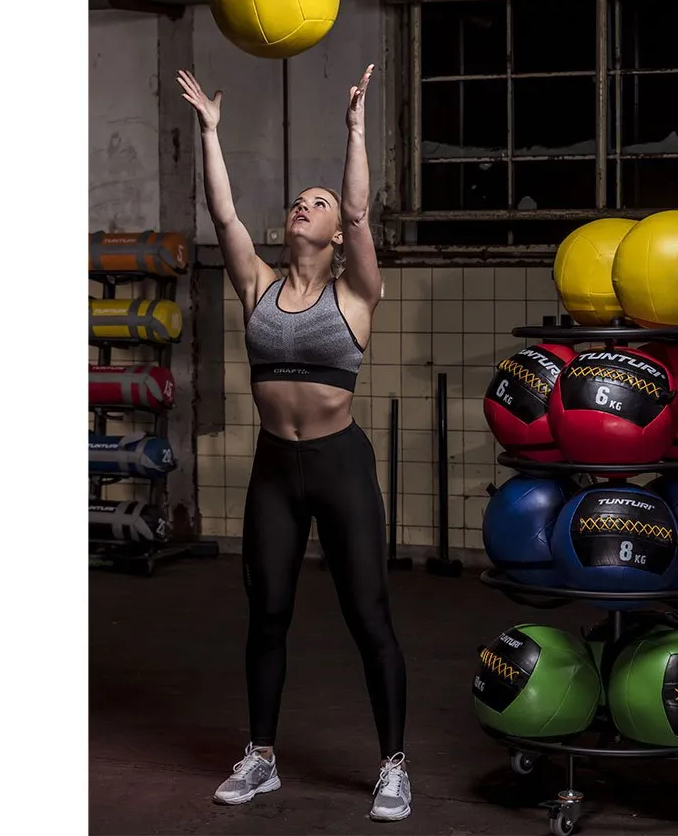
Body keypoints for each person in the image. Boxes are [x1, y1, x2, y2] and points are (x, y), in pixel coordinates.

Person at [177, 64, 411, 822]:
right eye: (297, 201)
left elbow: (360, 207)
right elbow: (223, 215)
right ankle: (262, 757)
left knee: (368, 616)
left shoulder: (356, 293)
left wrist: (355, 130)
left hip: (340, 465)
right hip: (276, 469)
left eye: (317, 203)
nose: (301, 207)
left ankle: (393, 766)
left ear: (336, 231)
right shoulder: (259, 286)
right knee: (268, 614)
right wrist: (211, 134)